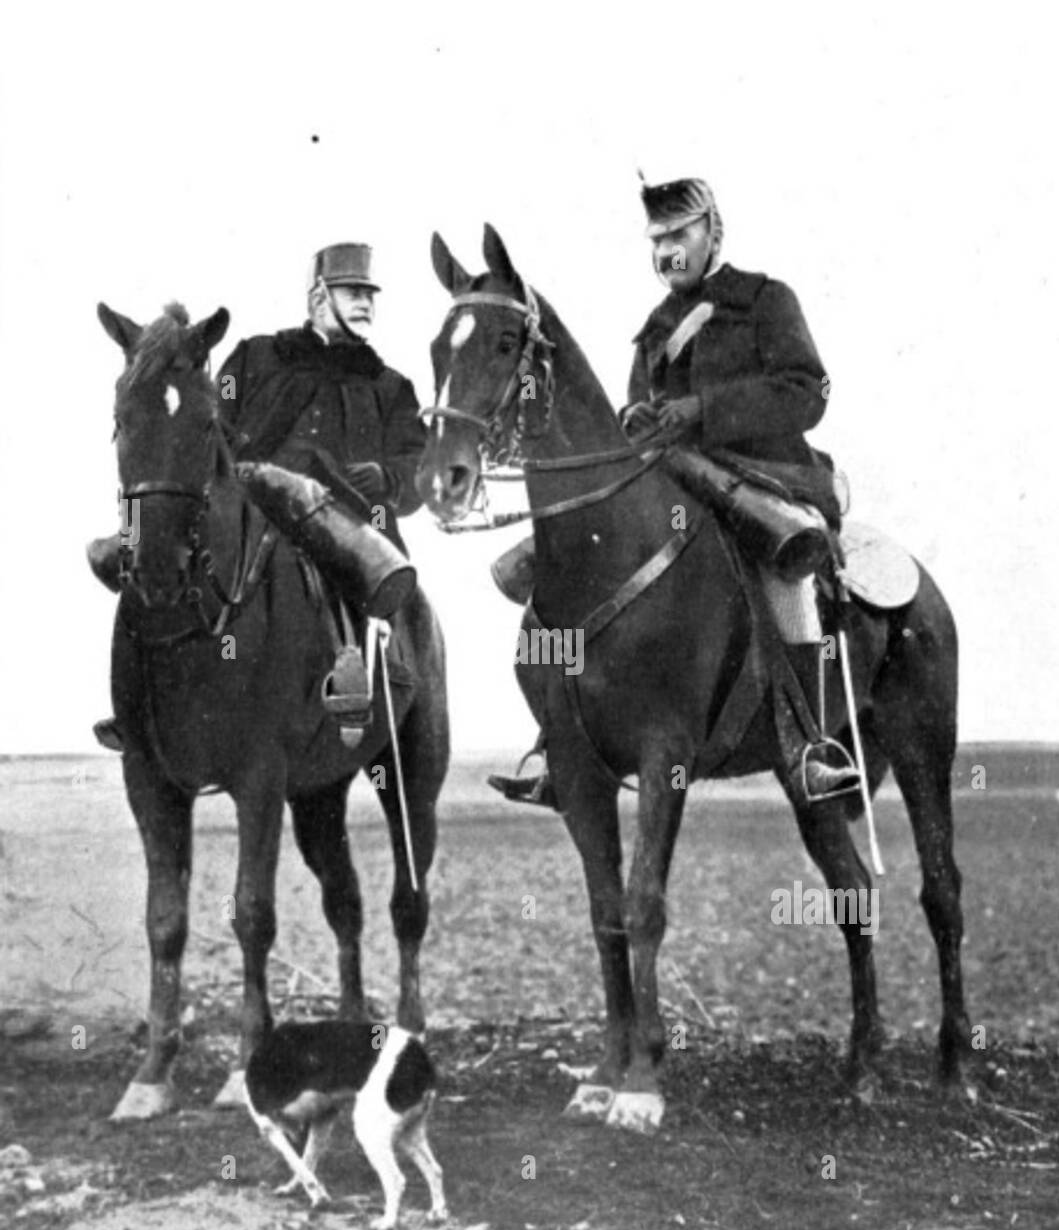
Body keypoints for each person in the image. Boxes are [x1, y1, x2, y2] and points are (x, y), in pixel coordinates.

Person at [489, 175, 859, 807]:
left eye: (679, 235)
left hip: (765, 479)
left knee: (786, 573)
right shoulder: (654, 329)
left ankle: (808, 747)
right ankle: (560, 741)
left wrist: (701, 410)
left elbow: (807, 392)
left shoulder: (764, 301)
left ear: (713, 231)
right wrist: (637, 422)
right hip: (678, 485)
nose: (667, 252)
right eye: (656, 241)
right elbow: (641, 410)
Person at [90, 242, 426, 750]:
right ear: (318, 298)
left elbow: (415, 470)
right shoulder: (256, 356)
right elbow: (206, 427)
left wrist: (389, 479)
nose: (366, 303)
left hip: (343, 516)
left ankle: (352, 676)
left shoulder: (391, 387)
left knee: (341, 553)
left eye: (369, 295)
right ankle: (135, 698)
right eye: (353, 292)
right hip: (248, 499)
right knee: (149, 550)